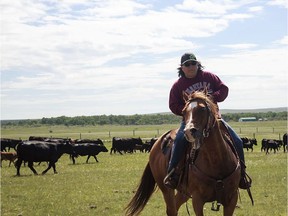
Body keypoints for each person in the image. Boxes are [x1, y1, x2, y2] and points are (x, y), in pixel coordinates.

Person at [163, 52, 251, 190]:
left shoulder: (209, 77)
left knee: (237, 141)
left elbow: (223, 89)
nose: (191, 66)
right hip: (190, 121)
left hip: (215, 120)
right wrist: (189, 110)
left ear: (198, 64)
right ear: (182, 67)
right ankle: (173, 174)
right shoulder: (178, 85)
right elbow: (173, 105)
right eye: (187, 64)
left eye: (194, 63)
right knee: (179, 141)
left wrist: (211, 98)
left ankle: (242, 175)